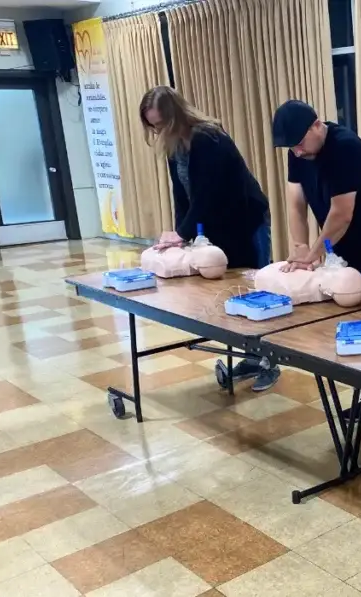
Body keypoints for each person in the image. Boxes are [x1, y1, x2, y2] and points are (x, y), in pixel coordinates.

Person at [271, 100, 361, 436]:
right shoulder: (298, 152)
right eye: (290, 147)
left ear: (317, 125)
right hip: (348, 258)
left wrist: (315, 252)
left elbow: (342, 212)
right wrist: (298, 249)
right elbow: (295, 202)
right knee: (359, 330)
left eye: (299, 143)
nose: (296, 152)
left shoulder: (345, 147)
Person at [139, 86, 280, 392]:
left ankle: (270, 361)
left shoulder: (208, 138)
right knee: (229, 295)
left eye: (162, 123)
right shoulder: (174, 146)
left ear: (176, 116)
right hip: (216, 226)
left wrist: (184, 232)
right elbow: (183, 197)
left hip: (245, 221)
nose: (158, 130)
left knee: (252, 291)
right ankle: (253, 357)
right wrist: (180, 235)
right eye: (153, 125)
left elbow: (207, 196)